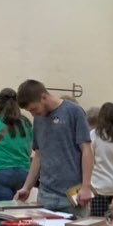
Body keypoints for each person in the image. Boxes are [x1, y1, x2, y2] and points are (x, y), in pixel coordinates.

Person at [15, 80, 93, 213]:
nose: (33, 114)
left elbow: (86, 150)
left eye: (34, 109)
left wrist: (86, 186)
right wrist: (26, 187)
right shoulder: (38, 118)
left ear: (44, 97)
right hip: (45, 196)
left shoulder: (74, 112)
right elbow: (39, 155)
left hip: (72, 195)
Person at [0, 89, 33, 202]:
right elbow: (29, 149)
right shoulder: (26, 122)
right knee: (18, 212)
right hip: (23, 171)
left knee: (3, 212)